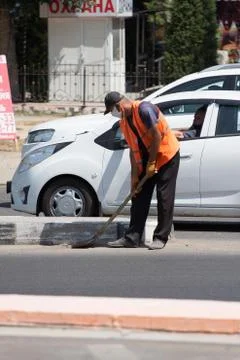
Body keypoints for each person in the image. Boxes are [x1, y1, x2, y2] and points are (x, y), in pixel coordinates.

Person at [104, 91, 180, 250]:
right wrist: (134, 178)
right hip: (147, 158)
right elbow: (133, 150)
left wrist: (152, 162)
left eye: (112, 111)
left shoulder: (144, 110)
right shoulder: (124, 122)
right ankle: (132, 237)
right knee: (138, 196)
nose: (113, 114)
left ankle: (160, 238)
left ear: (118, 106)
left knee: (164, 196)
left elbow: (157, 136)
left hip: (166, 155)